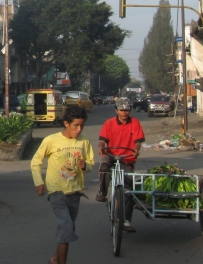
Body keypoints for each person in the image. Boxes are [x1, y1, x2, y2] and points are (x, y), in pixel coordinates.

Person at [31, 105, 94, 264]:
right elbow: (35, 162)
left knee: (66, 230)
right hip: (57, 191)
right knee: (65, 227)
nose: (79, 129)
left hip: (75, 192)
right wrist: (39, 182)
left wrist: (84, 166)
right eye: (76, 125)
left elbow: (91, 163)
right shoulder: (51, 140)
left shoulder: (84, 141)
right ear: (66, 123)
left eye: (82, 125)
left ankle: (54, 259)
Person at [96, 97, 145, 233]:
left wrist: (136, 149)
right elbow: (102, 140)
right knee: (104, 167)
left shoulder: (135, 123)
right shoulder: (109, 123)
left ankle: (126, 220)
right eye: (121, 110)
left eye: (126, 110)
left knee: (128, 188)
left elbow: (138, 141)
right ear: (116, 110)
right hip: (111, 154)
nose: (124, 113)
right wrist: (101, 147)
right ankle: (103, 191)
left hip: (127, 157)